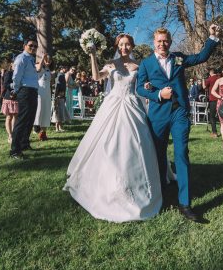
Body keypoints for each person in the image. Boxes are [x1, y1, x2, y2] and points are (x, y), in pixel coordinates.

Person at [65, 34, 162, 222]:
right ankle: (104, 183)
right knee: (106, 144)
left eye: (127, 45)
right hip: (112, 105)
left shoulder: (138, 66)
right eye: (121, 44)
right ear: (117, 46)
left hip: (132, 106)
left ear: (132, 46)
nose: (124, 47)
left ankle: (137, 182)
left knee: (134, 144)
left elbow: (143, 85)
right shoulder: (111, 64)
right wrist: (92, 55)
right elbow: (96, 77)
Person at [136, 24, 220, 223]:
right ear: (153, 43)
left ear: (170, 42)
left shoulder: (179, 58)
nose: (162, 44)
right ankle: (161, 197)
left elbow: (201, 57)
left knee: (181, 154)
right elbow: (140, 88)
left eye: (165, 41)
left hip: (179, 113)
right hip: (158, 115)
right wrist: (157, 94)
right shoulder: (146, 64)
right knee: (159, 157)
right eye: (159, 41)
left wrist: (213, 38)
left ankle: (185, 203)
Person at [9, 39, 40, 160]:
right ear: (24, 46)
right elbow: (16, 77)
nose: (33, 47)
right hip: (25, 91)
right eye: (31, 45)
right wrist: (16, 90)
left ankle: (24, 143)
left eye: (35, 46)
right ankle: (15, 151)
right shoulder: (21, 58)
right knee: (22, 121)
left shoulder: (31, 59)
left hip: (33, 91)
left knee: (30, 119)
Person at [34, 54, 52, 141]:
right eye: (46, 60)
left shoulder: (48, 69)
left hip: (47, 93)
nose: (48, 61)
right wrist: (42, 58)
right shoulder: (38, 66)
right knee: (39, 111)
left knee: (46, 111)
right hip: (39, 93)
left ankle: (43, 133)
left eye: (49, 60)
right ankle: (36, 127)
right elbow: (38, 69)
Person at [0, 62, 19, 144]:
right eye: (15, 64)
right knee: (9, 117)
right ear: (11, 65)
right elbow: (6, 84)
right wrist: (13, 90)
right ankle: (10, 135)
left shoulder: (20, 73)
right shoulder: (9, 73)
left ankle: (14, 135)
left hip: (18, 96)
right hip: (9, 97)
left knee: (16, 116)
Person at [52, 67, 70, 131]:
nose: (66, 69)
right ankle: (57, 127)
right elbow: (57, 86)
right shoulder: (60, 76)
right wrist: (56, 97)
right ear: (62, 68)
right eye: (65, 68)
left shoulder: (62, 75)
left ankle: (60, 127)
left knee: (60, 112)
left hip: (61, 97)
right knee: (57, 112)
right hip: (58, 97)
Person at [204, 68, 220, 137]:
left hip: (213, 99)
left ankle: (214, 132)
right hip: (220, 98)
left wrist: (203, 79)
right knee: (222, 115)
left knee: (212, 116)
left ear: (210, 72)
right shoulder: (220, 78)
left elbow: (204, 87)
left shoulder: (210, 79)